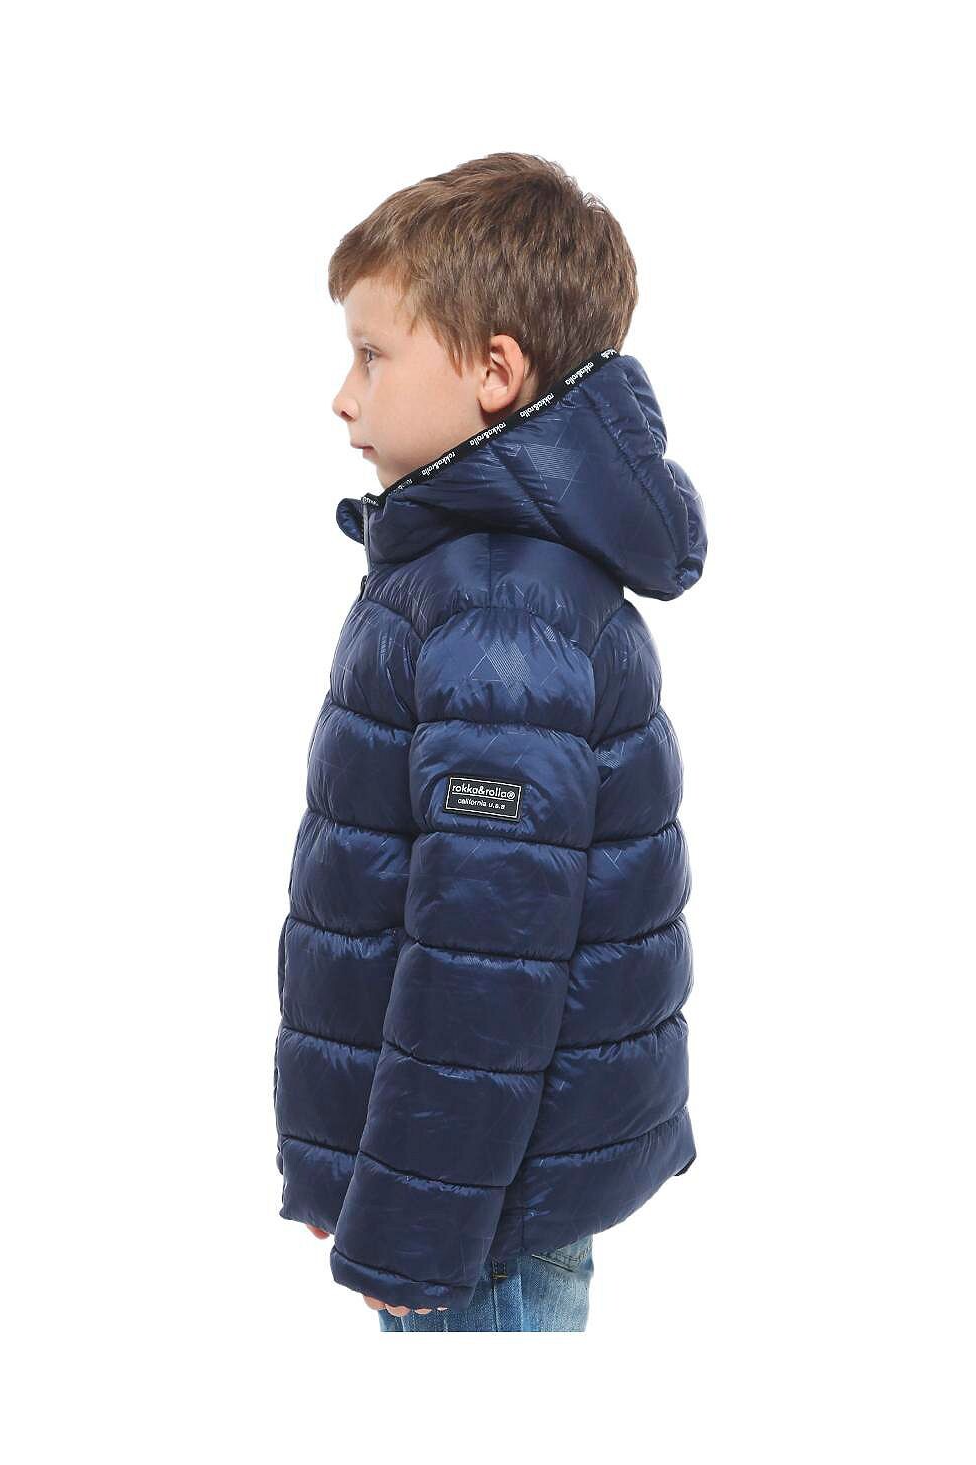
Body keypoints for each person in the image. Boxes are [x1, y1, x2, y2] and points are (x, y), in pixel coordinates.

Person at [272, 151, 708, 1333]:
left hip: (478, 1214)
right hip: (472, 1178)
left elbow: (484, 969)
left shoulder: (501, 617)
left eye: (373, 355)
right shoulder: (471, 583)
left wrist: (411, 1227)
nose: (344, 396)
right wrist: (345, 1159)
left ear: (494, 373)